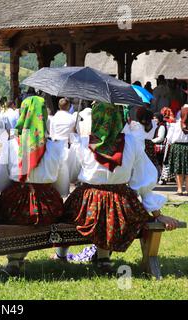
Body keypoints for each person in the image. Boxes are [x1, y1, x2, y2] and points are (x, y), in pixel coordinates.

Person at [63, 103, 179, 271]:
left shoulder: (84, 142)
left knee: (68, 215)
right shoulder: (132, 142)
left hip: (87, 201)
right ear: (119, 119)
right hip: (121, 202)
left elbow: (72, 174)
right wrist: (156, 214)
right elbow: (142, 180)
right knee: (111, 211)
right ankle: (103, 258)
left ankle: (63, 254)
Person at [0, 96, 69, 275]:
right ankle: (19, 258)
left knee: (11, 210)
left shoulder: (11, 145)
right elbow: (63, 186)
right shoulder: (57, 148)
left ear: (23, 115)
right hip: (48, 206)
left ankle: (14, 259)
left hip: (16, 203)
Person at [167, 107, 188, 196]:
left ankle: (179, 189)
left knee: (178, 169)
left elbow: (169, 139)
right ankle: (187, 190)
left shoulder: (175, 125)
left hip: (178, 148)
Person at [152, 113, 168, 179]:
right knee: (158, 163)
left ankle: (161, 177)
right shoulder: (157, 126)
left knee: (160, 163)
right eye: (153, 118)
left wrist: (151, 141)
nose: (154, 119)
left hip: (160, 148)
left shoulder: (161, 126)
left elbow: (160, 138)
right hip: (157, 147)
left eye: (156, 118)